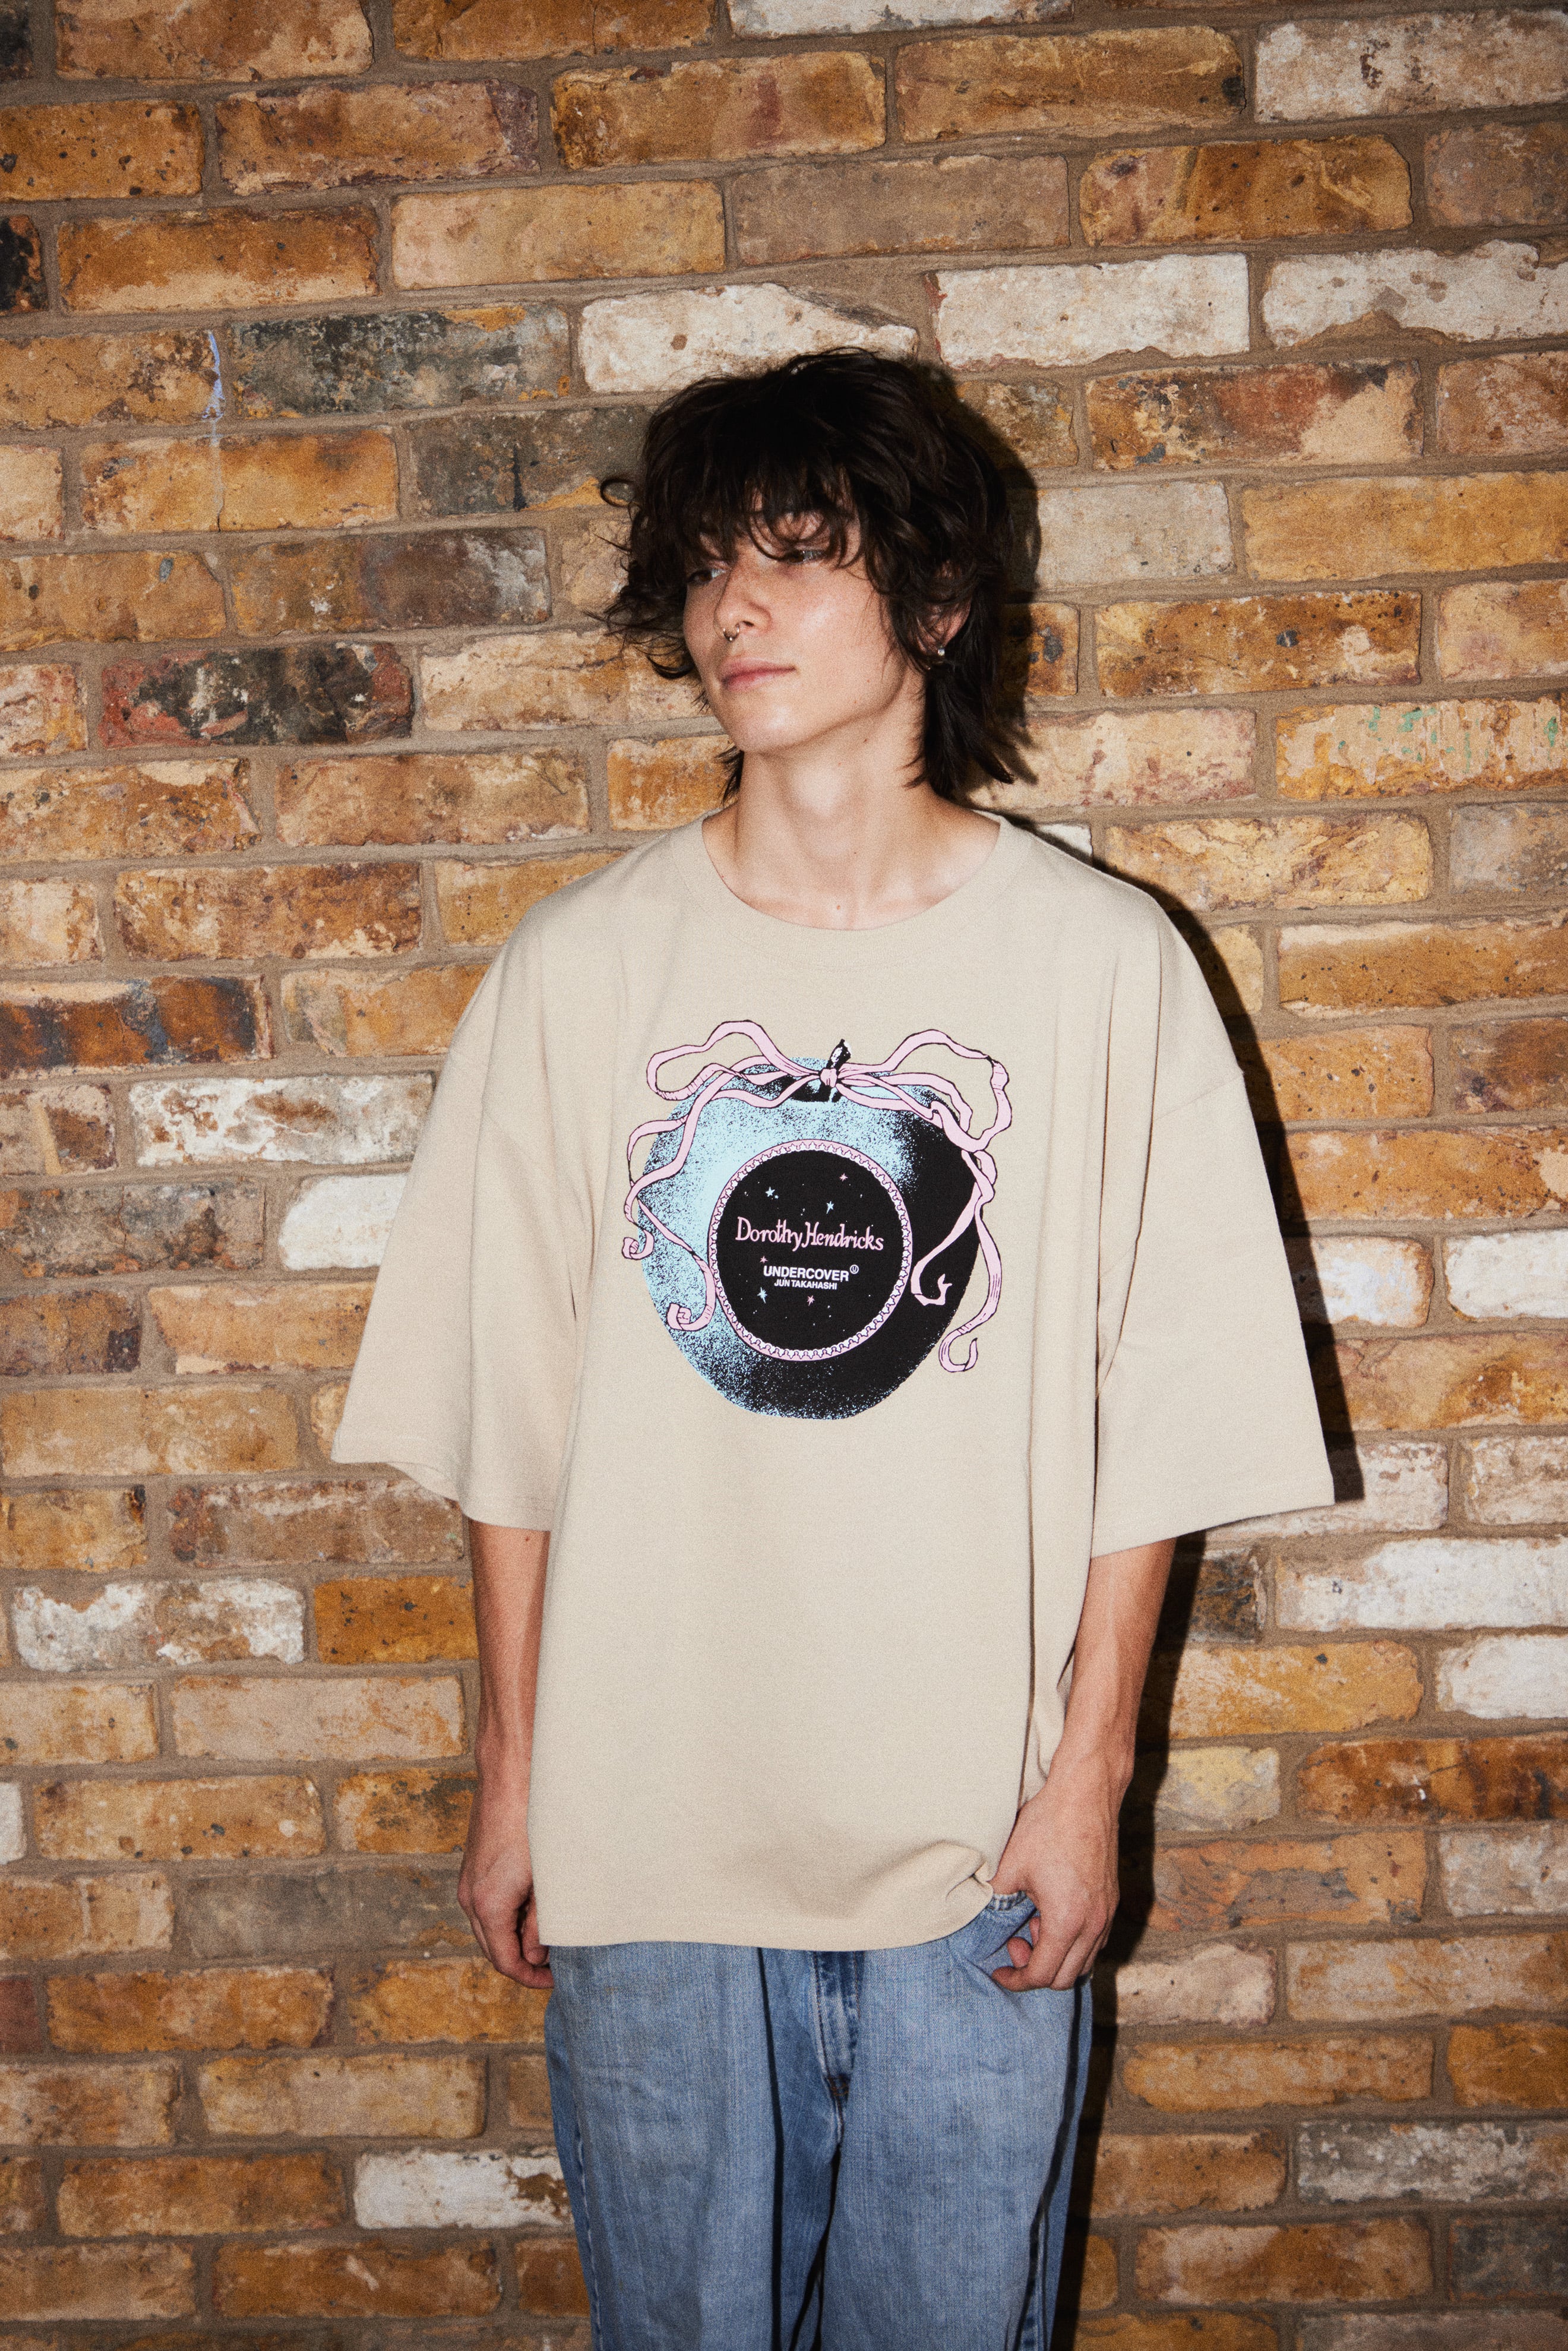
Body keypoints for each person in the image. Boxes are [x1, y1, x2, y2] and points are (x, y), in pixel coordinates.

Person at [331, 349, 1333, 2350]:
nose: (737, 609)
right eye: (709, 565)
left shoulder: (1098, 967)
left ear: (938, 604)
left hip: (971, 1851)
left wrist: (1092, 1776)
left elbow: (1162, 1415)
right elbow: (513, 1415)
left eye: (797, 557)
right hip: (650, 1846)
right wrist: (514, 1774)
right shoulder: (581, 972)